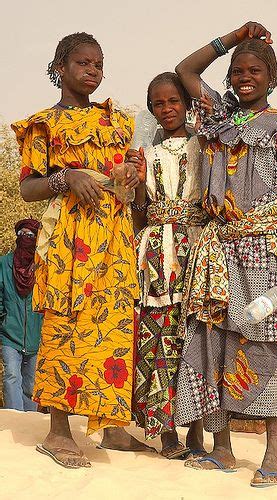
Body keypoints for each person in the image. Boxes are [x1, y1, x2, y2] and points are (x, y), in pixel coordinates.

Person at [173, 21, 277, 487]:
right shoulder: (219, 117)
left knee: (263, 346)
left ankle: (273, 456)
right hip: (216, 250)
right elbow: (185, 69)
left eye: (254, 71)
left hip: (261, 251)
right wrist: (234, 38)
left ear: (271, 78)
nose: (242, 77)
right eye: (237, 71)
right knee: (210, 343)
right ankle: (223, 450)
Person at [11, 32, 140, 469]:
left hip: (114, 236)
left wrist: (129, 179)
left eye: (99, 64)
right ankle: (59, 432)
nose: (92, 71)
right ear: (61, 67)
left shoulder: (117, 121)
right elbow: (28, 187)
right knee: (67, 325)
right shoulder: (44, 123)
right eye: (83, 63)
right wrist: (66, 178)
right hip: (71, 240)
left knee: (115, 328)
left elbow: (121, 180)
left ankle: (114, 429)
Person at [127, 72, 207, 458]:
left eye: (174, 101)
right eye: (158, 104)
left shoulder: (205, 147)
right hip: (157, 256)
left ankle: (197, 431)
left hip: (196, 251)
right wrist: (140, 184)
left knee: (195, 338)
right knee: (160, 340)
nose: (167, 109)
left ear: (187, 103)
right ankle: (167, 433)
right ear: (151, 110)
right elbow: (140, 216)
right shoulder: (148, 156)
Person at [0, 219, 42, 411]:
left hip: (36, 335)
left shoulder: (42, 266)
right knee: (12, 376)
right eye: (22, 234)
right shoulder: (4, 264)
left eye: (31, 235)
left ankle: (30, 423)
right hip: (10, 334)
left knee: (31, 384)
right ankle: (14, 420)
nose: (26, 238)